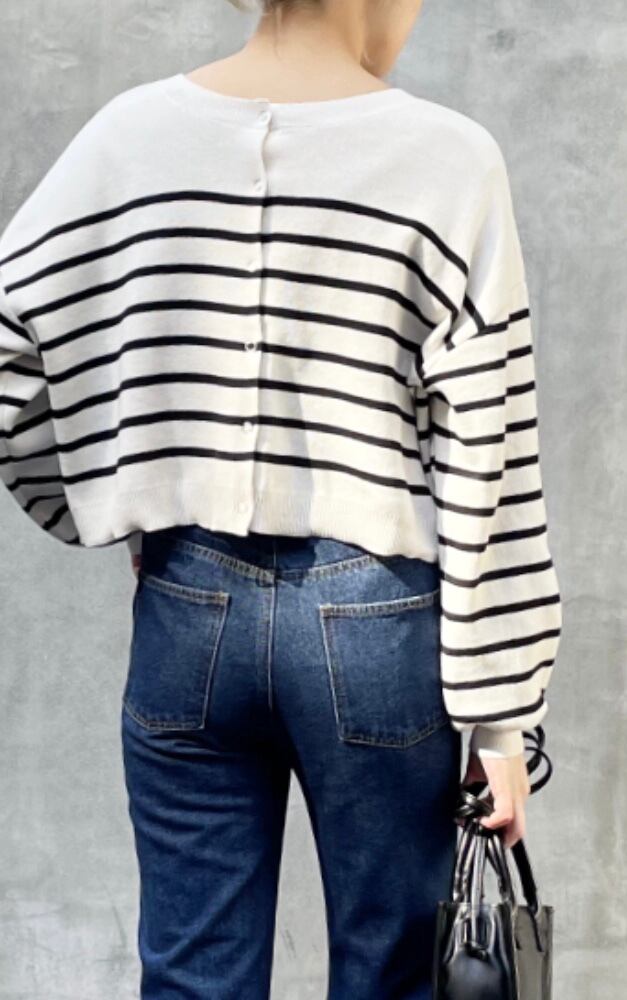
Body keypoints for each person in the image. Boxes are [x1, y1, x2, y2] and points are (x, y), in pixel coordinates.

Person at [0, 0, 562, 995]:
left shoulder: (133, 136)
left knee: (192, 974)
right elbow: (489, 450)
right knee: (394, 972)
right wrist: (497, 721)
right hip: (377, 621)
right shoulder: (448, 158)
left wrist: (117, 495)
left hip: (188, 605)